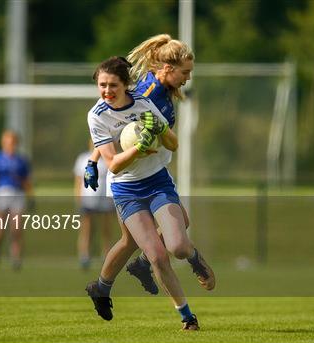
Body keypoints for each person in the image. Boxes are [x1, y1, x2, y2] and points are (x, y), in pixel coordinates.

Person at [84, 34, 215, 299]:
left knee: (141, 238)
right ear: (168, 69)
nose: (188, 78)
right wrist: (93, 160)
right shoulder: (148, 92)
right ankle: (128, 273)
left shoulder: (162, 90)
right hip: (134, 179)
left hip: (153, 171)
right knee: (147, 236)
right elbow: (113, 123)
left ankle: (131, 271)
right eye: (185, 72)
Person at [0, 130, 33, 270]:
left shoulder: (22, 160)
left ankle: (16, 259)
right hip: (1, 194)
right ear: (3, 143)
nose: (10, 144)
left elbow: (26, 181)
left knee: (16, 229)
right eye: (8, 141)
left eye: (13, 142)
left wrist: (31, 197)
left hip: (17, 195)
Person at [73, 140, 115, 269]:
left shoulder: (109, 158)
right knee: (87, 229)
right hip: (88, 200)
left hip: (105, 200)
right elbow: (79, 181)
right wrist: (78, 199)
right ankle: (84, 255)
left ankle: (106, 255)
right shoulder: (83, 158)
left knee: (105, 229)